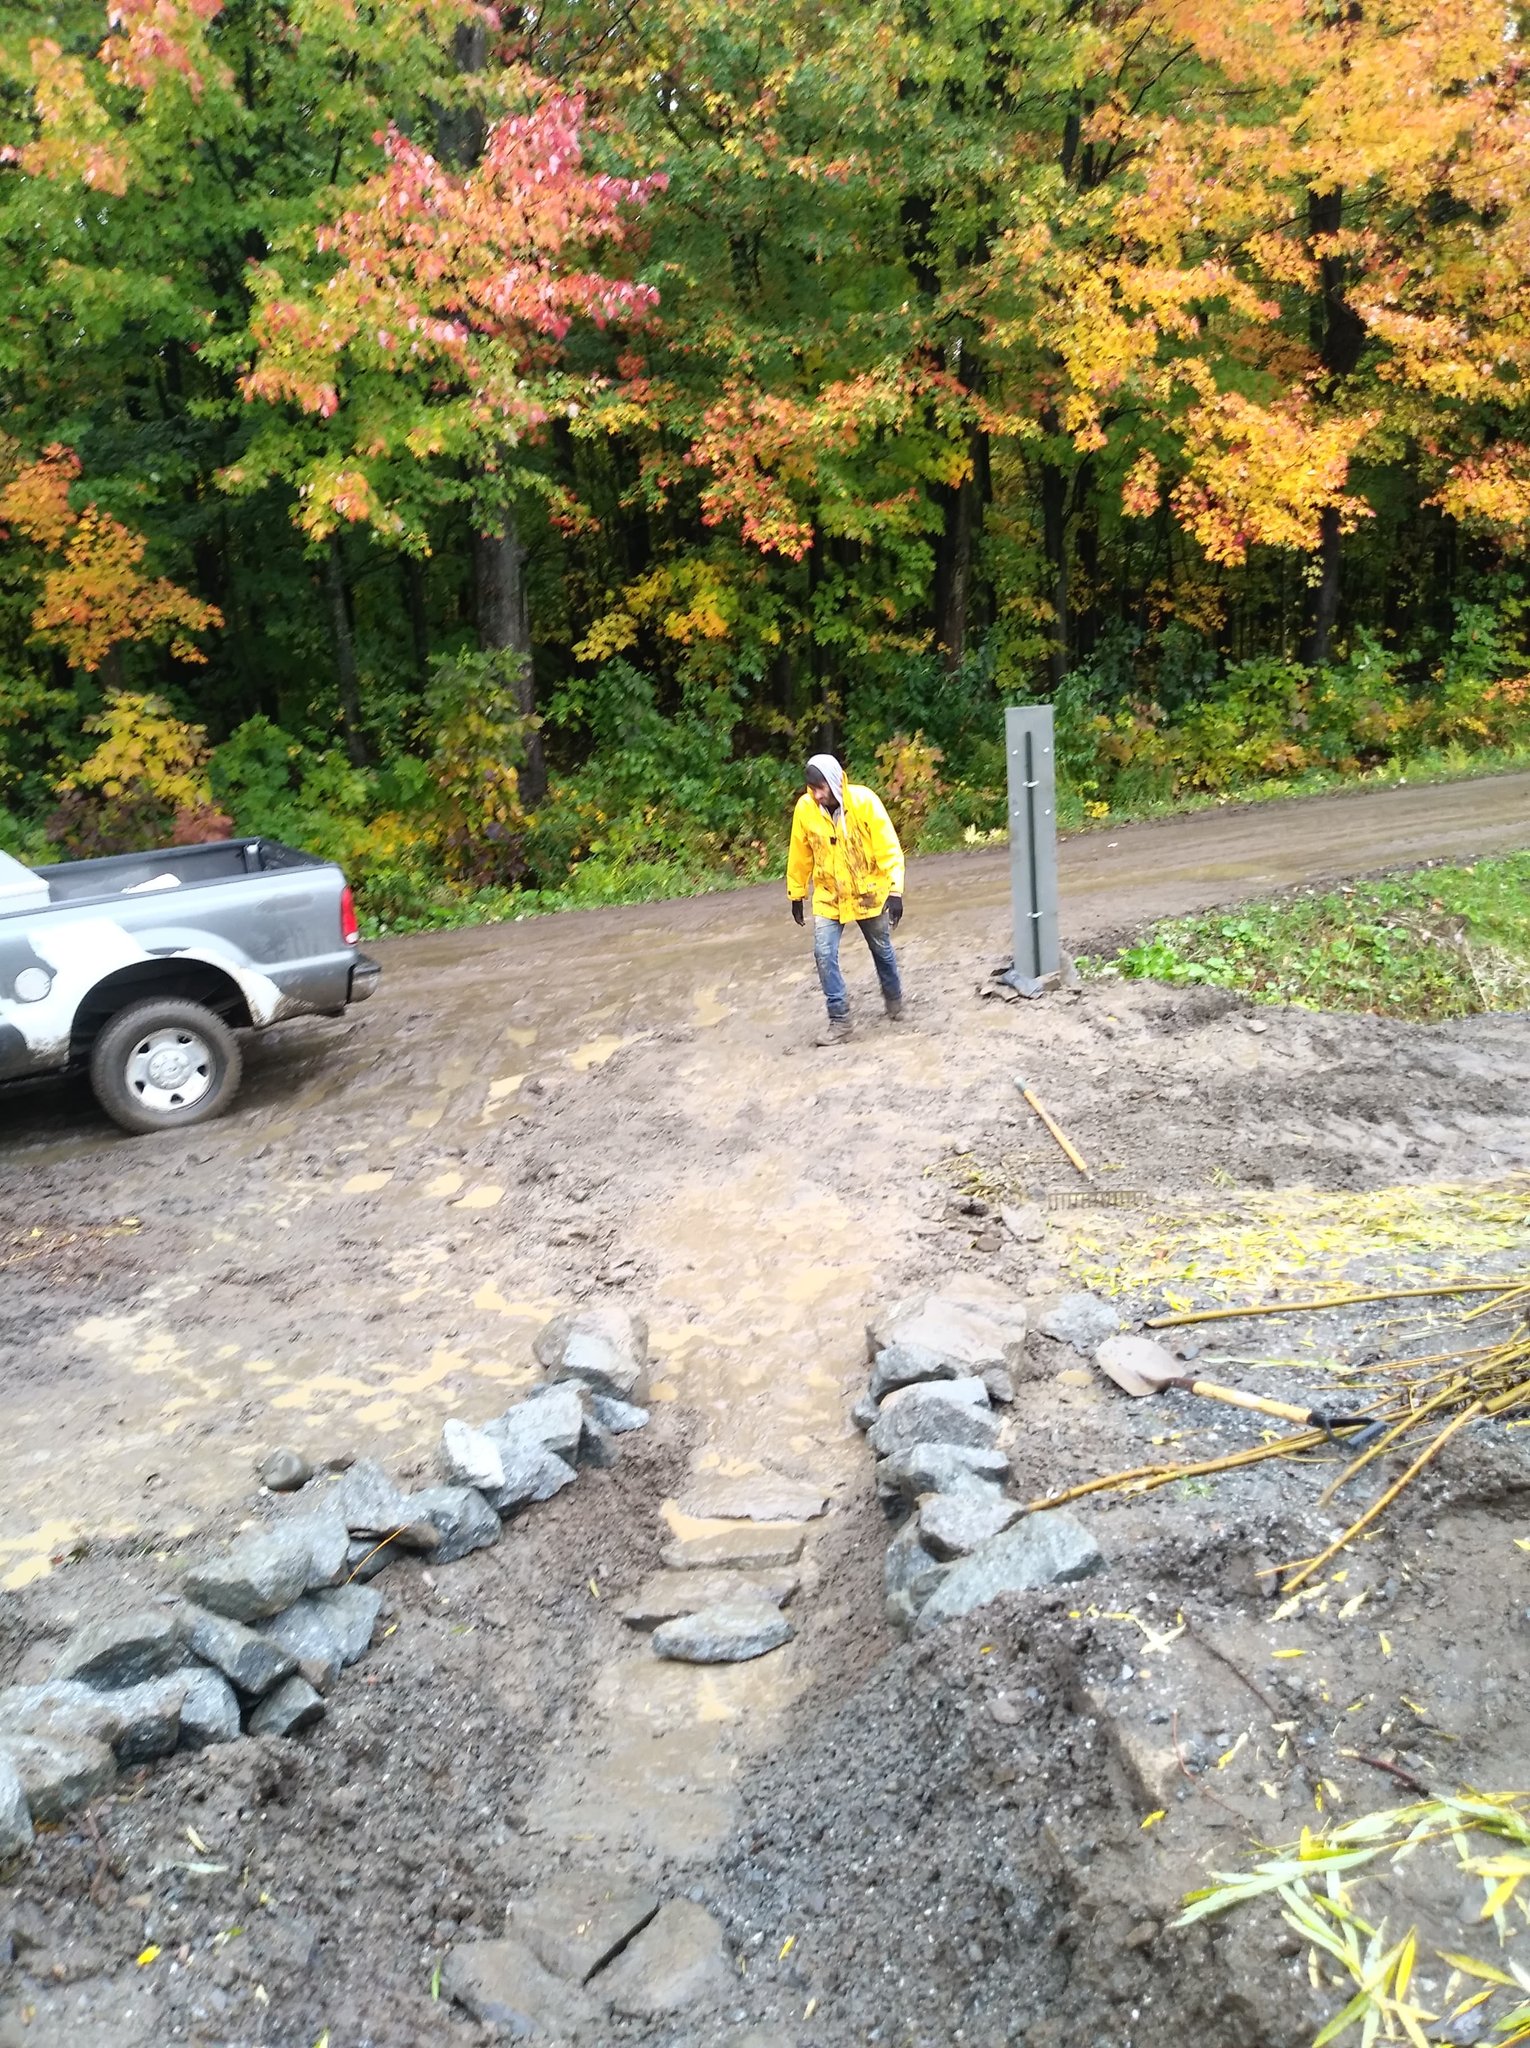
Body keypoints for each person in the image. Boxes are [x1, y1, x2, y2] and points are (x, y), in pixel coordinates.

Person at [786, 753, 906, 1044]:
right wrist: (797, 892)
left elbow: (888, 847)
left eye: (820, 788)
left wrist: (895, 890)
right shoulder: (806, 809)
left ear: (835, 781)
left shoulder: (864, 802)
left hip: (867, 891)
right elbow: (800, 852)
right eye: (811, 788)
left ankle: (894, 998)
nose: (815, 795)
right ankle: (839, 1020)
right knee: (823, 954)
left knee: (882, 950)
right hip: (829, 894)